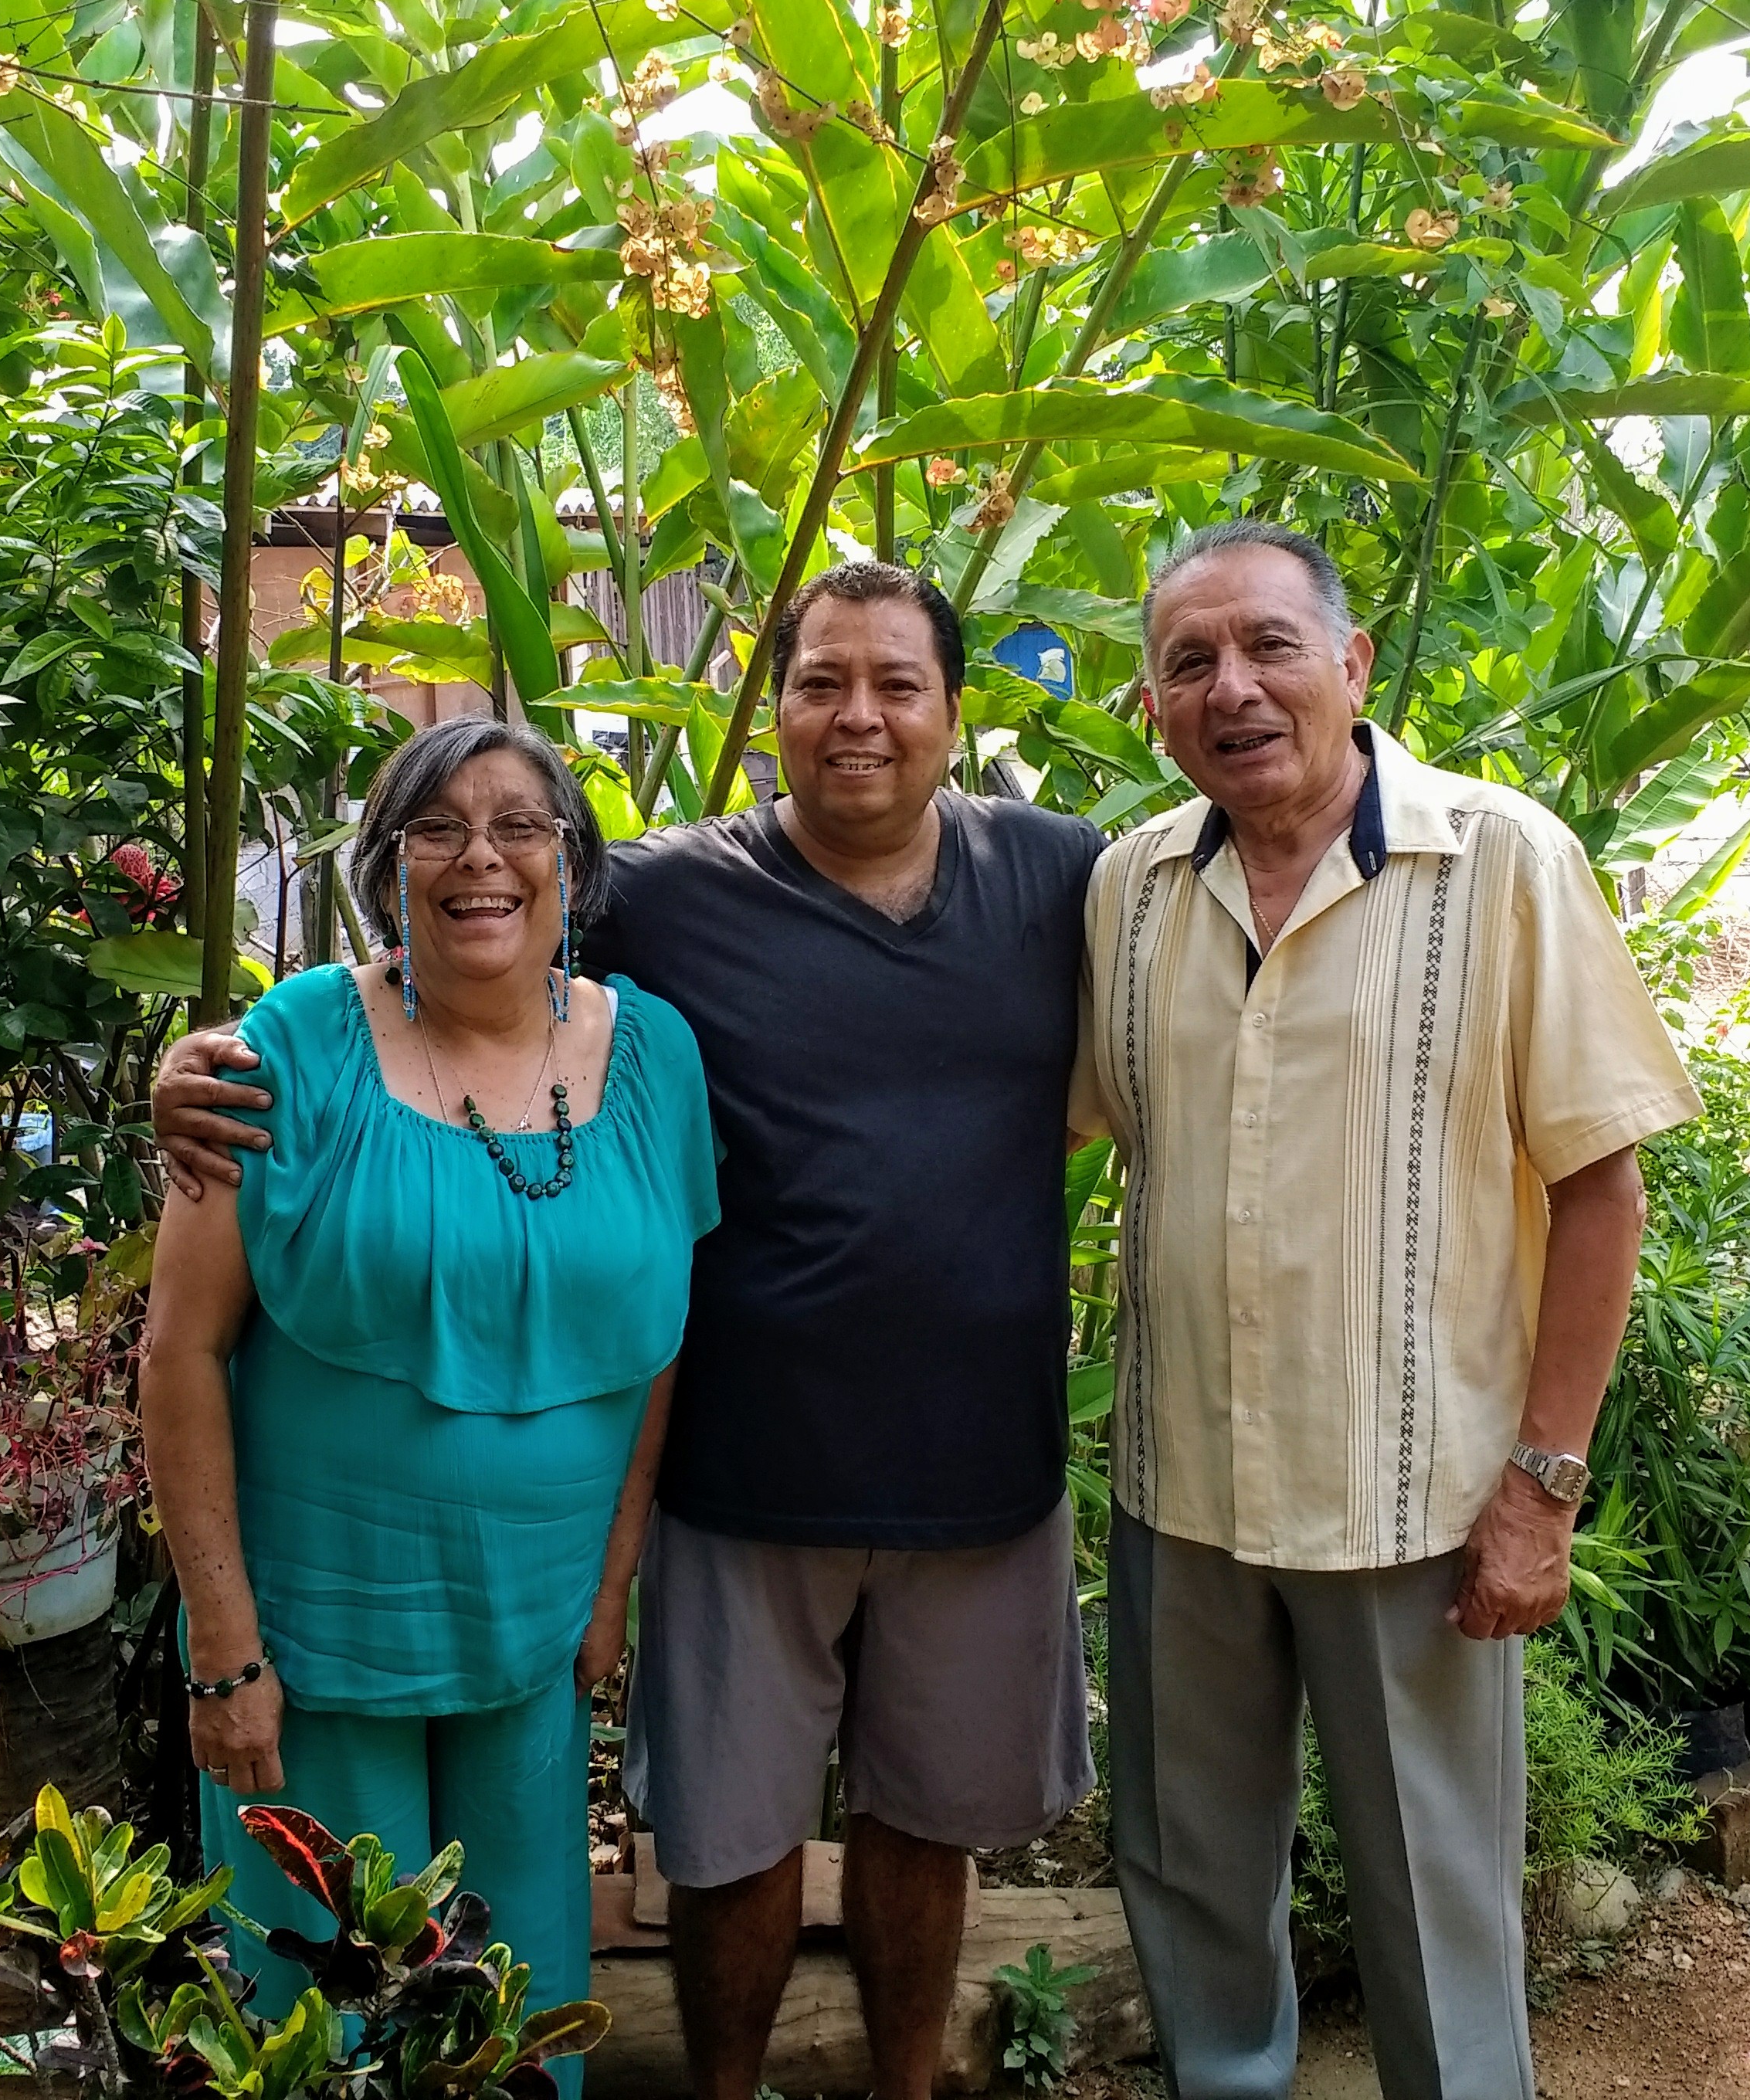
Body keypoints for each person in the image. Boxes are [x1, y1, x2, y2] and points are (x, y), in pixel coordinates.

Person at [155, 561, 1098, 2100]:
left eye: (899, 685)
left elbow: (1232, 923)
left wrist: (602, 1585)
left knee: (857, 1854)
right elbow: (193, 1322)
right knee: (651, 1864)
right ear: (772, 704)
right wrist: (178, 1067)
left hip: (854, 1517)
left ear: (951, 708)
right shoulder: (644, 903)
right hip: (616, 1523)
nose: (859, 717)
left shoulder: (1058, 878)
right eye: (819, 683)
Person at [1071, 519, 1699, 2100]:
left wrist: (1540, 1489)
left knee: (1438, 1907)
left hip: (1410, 1509)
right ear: (1152, 705)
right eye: (1189, 662)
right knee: (1191, 1881)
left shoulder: (1502, 862)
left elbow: (1599, 1193)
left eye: (1270, 646)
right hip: (1185, 1498)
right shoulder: (1128, 890)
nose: (1233, 688)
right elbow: (1087, 1144)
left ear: (1349, 666)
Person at [137, 718, 716, 2091]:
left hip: (531, 1642)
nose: (483, 859)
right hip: (317, 1650)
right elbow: (179, 1351)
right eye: (438, 827)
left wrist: (611, 1583)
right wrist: (224, 1650)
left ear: (573, 868)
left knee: (510, 2014)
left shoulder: (656, 1060)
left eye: (523, 826)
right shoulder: (289, 1049)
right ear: (383, 868)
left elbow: (656, 1347)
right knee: (331, 2006)